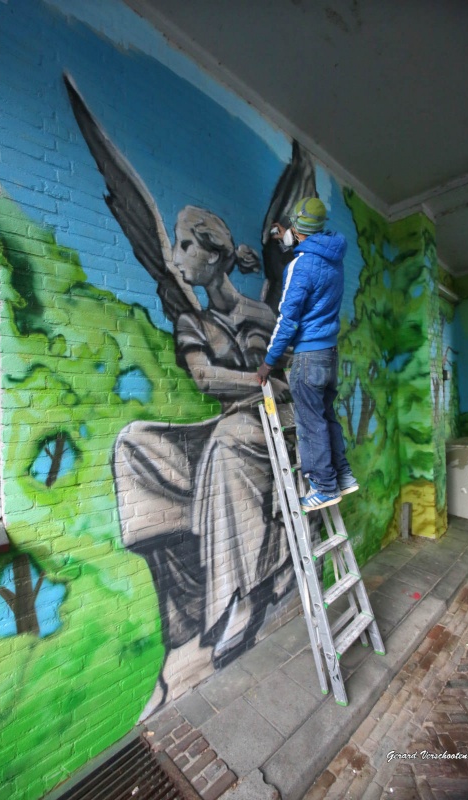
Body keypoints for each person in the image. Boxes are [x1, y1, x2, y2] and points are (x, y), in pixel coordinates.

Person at [114, 206, 292, 667]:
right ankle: (184, 599)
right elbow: (206, 379)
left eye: (185, 245)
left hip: (272, 423)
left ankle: (244, 593)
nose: (175, 257)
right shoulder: (192, 323)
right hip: (235, 417)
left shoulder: (263, 314)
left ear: (214, 256)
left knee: (228, 442)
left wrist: (272, 387)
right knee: (134, 444)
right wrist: (259, 381)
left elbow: (290, 378)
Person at [257, 197, 358, 511]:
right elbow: (309, 261)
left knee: (310, 423)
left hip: (308, 357)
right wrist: (288, 241)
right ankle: (343, 475)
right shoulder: (333, 256)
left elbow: (288, 319)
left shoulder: (299, 266)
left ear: (298, 228)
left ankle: (325, 487)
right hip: (329, 354)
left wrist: (268, 361)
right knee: (327, 417)